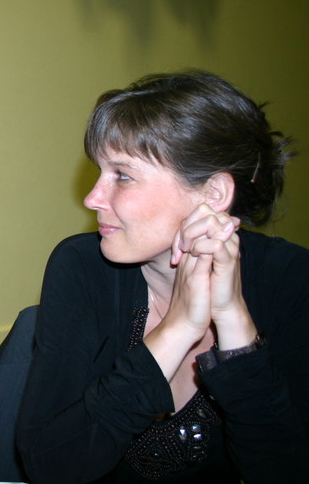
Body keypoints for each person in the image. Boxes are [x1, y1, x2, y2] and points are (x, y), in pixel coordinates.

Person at [16, 70, 309, 483]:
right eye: (100, 171)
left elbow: (285, 471)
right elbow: (51, 467)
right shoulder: (81, 267)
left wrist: (233, 322)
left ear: (213, 195)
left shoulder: (290, 278)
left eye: (122, 175)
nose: (92, 198)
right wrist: (178, 328)